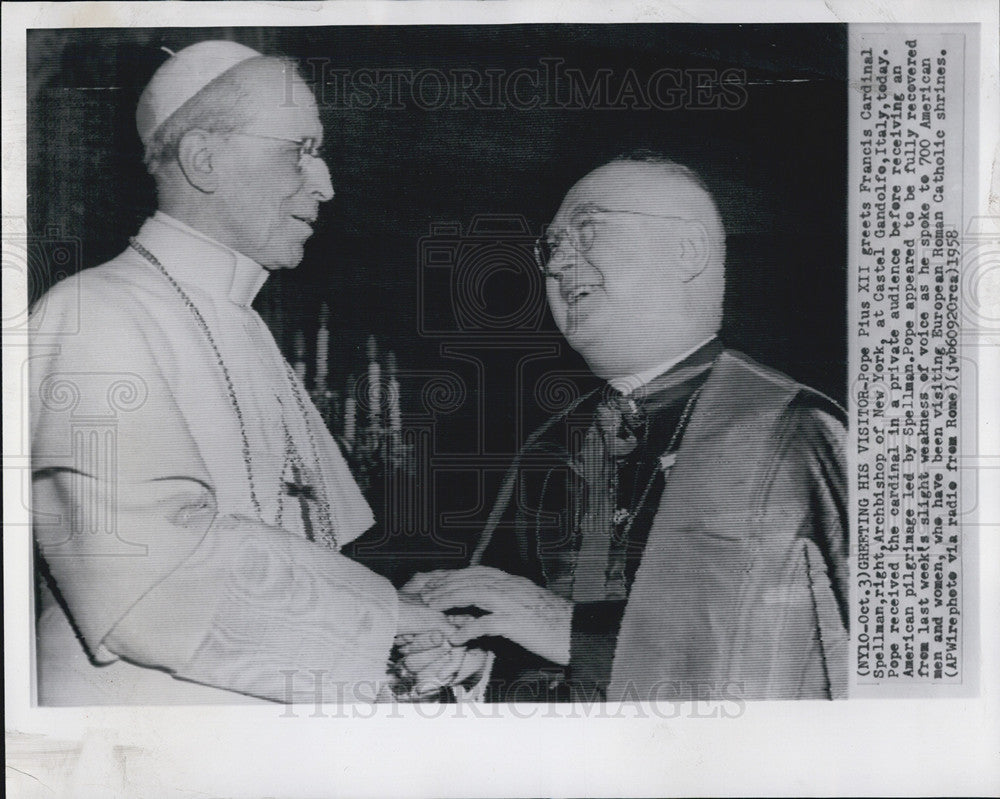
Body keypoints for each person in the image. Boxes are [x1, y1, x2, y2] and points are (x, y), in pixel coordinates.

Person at [30, 41, 453, 705]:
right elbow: (148, 578)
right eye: (300, 149)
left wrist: (391, 627)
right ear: (204, 159)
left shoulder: (246, 327)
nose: (326, 184)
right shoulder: (93, 312)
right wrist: (382, 621)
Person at [402, 153, 849, 702]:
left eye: (587, 232)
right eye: (551, 246)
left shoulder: (793, 432)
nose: (557, 264)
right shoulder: (550, 445)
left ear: (686, 251)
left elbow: (837, 667)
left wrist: (570, 630)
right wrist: (464, 658)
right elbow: (510, 632)